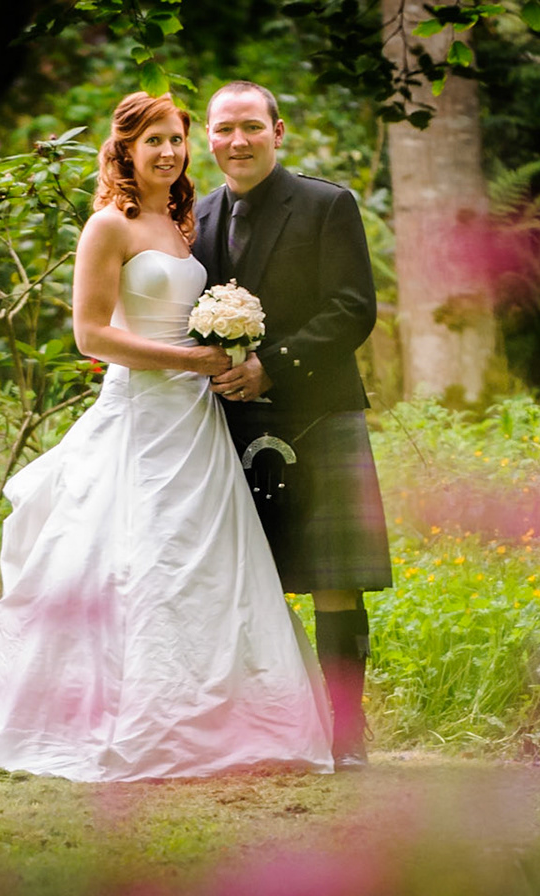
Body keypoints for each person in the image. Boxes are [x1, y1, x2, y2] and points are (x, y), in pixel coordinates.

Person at [0, 92, 333, 781]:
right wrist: (190, 358)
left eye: (177, 139)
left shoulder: (184, 224)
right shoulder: (109, 225)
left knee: (209, 564)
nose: (168, 152)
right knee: (136, 560)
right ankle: (116, 720)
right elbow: (90, 333)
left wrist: (229, 344)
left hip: (198, 422)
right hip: (141, 416)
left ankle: (221, 723)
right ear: (124, 149)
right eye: (152, 140)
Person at [192, 81, 392, 769]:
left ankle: (348, 732)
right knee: (244, 579)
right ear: (209, 138)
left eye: (251, 126)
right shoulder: (196, 214)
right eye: (224, 129)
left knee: (335, 579)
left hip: (317, 409)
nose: (237, 141)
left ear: (279, 131)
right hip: (229, 420)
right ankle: (266, 729)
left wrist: (273, 366)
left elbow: (352, 308)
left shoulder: (326, 203)